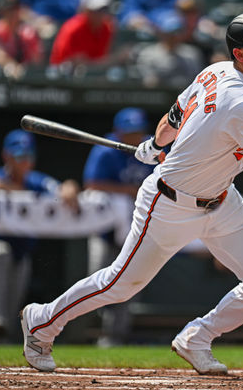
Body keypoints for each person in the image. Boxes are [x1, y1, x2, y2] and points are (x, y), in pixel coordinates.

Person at [20, 11, 243, 374]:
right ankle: (42, 321)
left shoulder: (213, 71)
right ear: (240, 55)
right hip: (170, 204)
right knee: (120, 284)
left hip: (222, 200)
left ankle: (197, 337)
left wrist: (155, 143)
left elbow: (171, 120)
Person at [0, 129, 80, 345]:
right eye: (19, 156)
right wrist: (22, 191)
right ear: (7, 156)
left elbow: (61, 189)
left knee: (15, 284)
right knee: (1, 253)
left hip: (19, 256)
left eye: (28, 156)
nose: (24, 162)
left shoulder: (36, 181)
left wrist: (69, 187)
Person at [82, 107, 154, 347]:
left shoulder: (150, 149)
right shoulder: (105, 149)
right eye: (129, 132)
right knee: (97, 278)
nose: (134, 138)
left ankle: (115, 335)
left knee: (129, 281)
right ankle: (91, 327)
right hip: (106, 227)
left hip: (135, 228)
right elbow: (92, 183)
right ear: (117, 131)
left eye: (137, 132)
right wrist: (130, 192)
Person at [0, 0, 44, 80]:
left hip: (24, 80)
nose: (11, 13)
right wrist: (13, 66)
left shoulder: (28, 33)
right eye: (8, 10)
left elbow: (36, 61)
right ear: (1, 11)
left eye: (15, 9)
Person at [134, 10, 205, 88]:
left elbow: (198, 82)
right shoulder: (148, 54)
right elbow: (149, 83)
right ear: (160, 33)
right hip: (161, 96)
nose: (174, 36)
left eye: (177, 32)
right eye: (170, 33)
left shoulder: (192, 53)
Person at [49, 0, 115, 67]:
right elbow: (62, 63)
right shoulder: (72, 29)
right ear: (85, 10)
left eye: (104, 9)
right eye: (97, 10)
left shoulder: (106, 28)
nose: (101, 14)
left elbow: (98, 61)